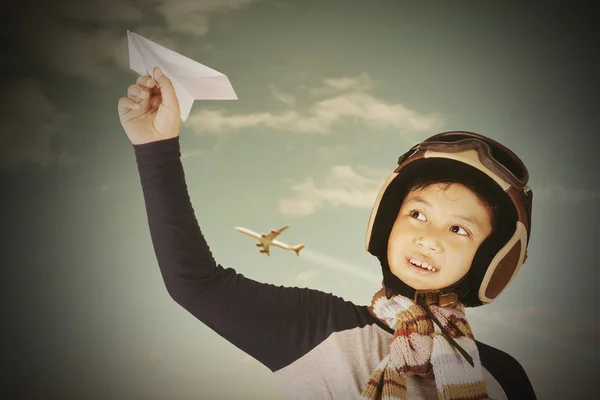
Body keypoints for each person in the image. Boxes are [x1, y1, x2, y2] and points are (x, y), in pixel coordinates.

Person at [118, 67, 537, 399]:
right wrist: (156, 148)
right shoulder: (316, 327)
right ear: (387, 224)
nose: (430, 238)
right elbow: (195, 284)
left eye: (459, 229)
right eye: (417, 215)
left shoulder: (503, 376)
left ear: (490, 260)